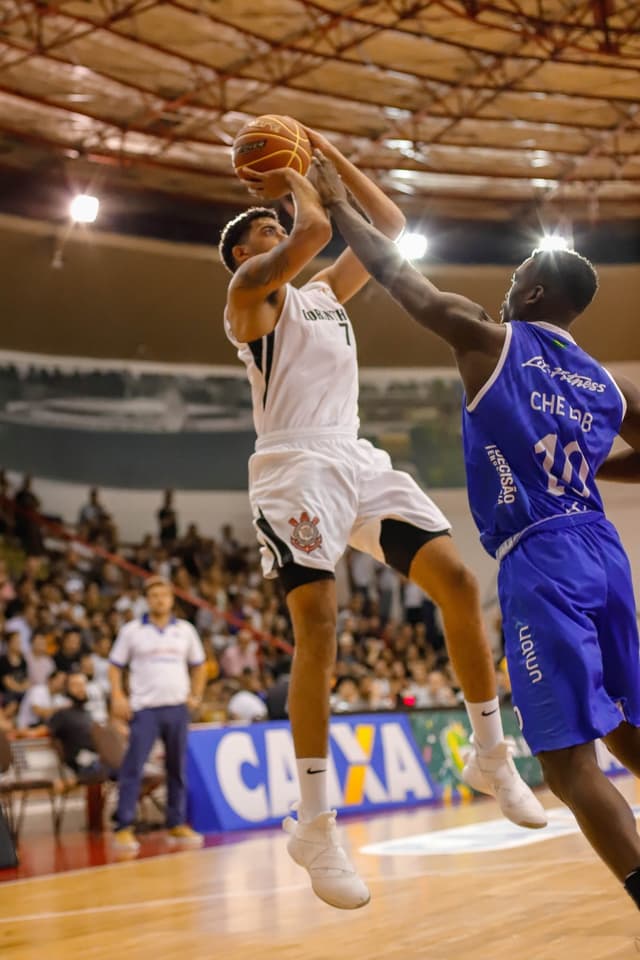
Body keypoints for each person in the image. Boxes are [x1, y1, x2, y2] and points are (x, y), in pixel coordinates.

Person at [219, 129, 545, 910]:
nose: (277, 224)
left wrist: (327, 154)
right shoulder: (247, 301)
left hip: (355, 459)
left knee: (460, 583)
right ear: (242, 253)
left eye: (278, 217)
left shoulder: (325, 294)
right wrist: (300, 179)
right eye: (264, 225)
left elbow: (388, 227)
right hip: (293, 467)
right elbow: (318, 230)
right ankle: (315, 822)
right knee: (320, 629)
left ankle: (491, 753)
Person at [309, 149, 640, 911]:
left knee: (567, 764)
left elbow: (397, 275)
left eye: (513, 275)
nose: (504, 286)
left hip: (541, 558)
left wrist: (336, 201)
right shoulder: (607, 383)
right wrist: (591, 473)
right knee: (627, 727)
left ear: (529, 288)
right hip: (602, 547)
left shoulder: (489, 338)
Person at [108, 576, 207, 855]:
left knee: (177, 768)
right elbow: (115, 666)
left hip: (177, 707)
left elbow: (199, 666)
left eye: (164, 595)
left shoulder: (185, 631)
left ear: (172, 599)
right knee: (133, 767)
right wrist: (117, 695)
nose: (159, 600)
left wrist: (196, 695)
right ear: (146, 600)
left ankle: (176, 822)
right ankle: (123, 826)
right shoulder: (132, 631)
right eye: (153, 596)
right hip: (145, 708)